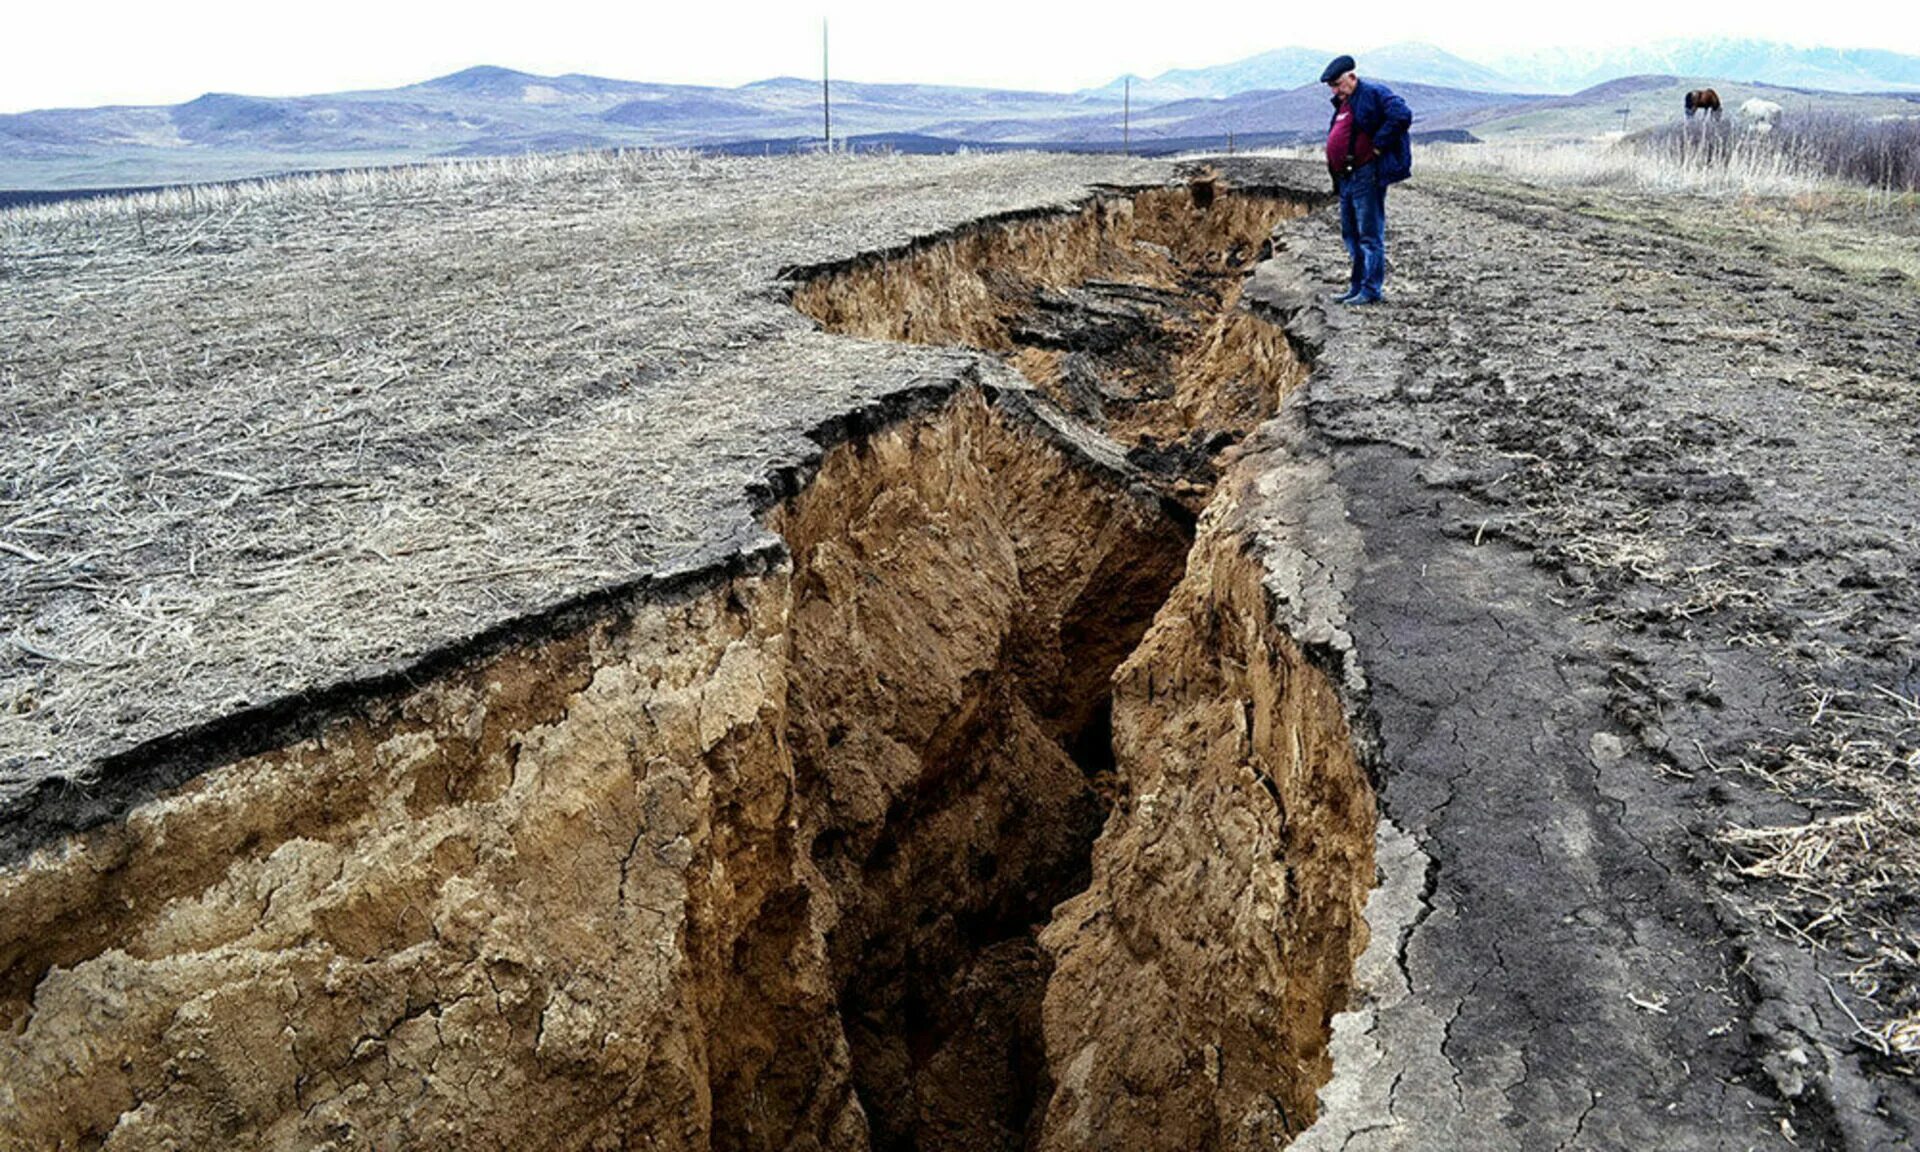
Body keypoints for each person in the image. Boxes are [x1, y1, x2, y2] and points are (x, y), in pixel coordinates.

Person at [1321, 55, 1412, 306]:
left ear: (1352, 77)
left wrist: (1378, 148)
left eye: (1339, 84)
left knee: (1369, 235)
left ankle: (1371, 289)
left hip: (1366, 175)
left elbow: (1402, 115)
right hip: (1347, 177)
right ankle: (1356, 286)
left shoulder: (1373, 93)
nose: (1336, 90)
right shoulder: (1344, 103)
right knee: (1350, 233)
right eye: (1332, 86)